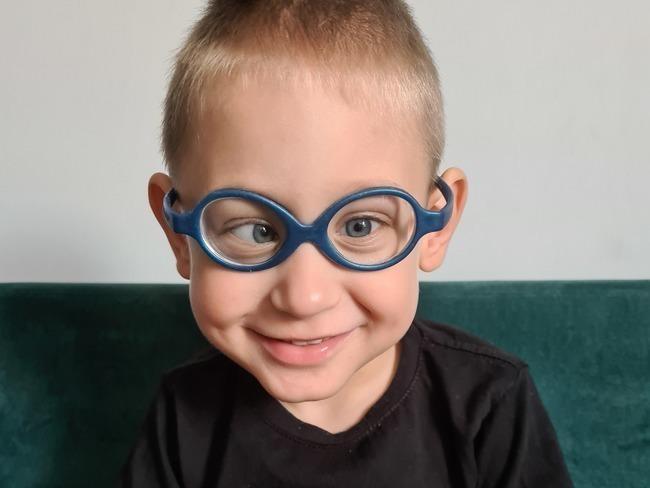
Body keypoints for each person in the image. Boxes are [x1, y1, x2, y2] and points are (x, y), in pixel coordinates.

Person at [119, 1, 573, 486]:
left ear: (437, 226)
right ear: (178, 236)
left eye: (360, 226)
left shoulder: (491, 402)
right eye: (255, 231)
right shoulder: (182, 417)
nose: (304, 297)